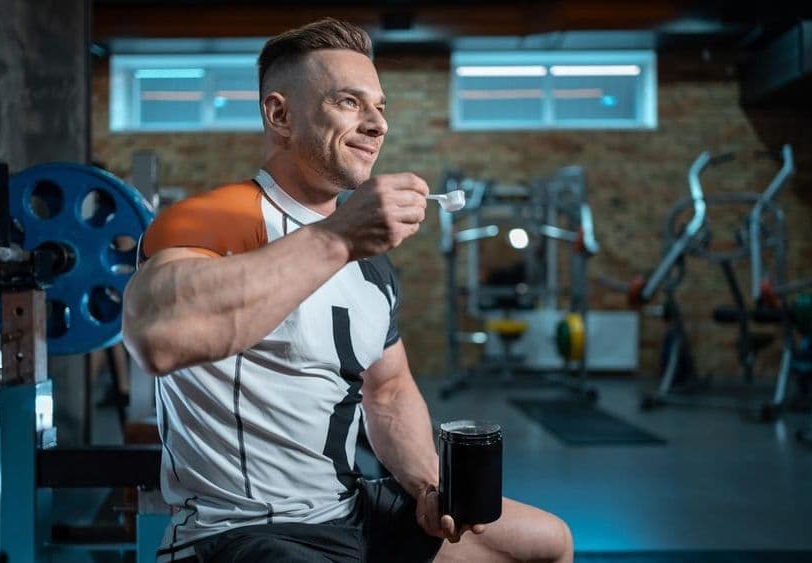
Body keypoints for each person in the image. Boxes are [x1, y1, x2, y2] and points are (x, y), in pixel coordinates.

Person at [122, 18, 573, 563]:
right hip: (241, 531)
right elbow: (156, 337)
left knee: (547, 544)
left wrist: (429, 486)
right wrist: (336, 237)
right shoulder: (212, 219)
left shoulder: (370, 262)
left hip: (349, 511)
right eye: (349, 103)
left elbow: (388, 391)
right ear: (279, 115)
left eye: (380, 107)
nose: (377, 124)